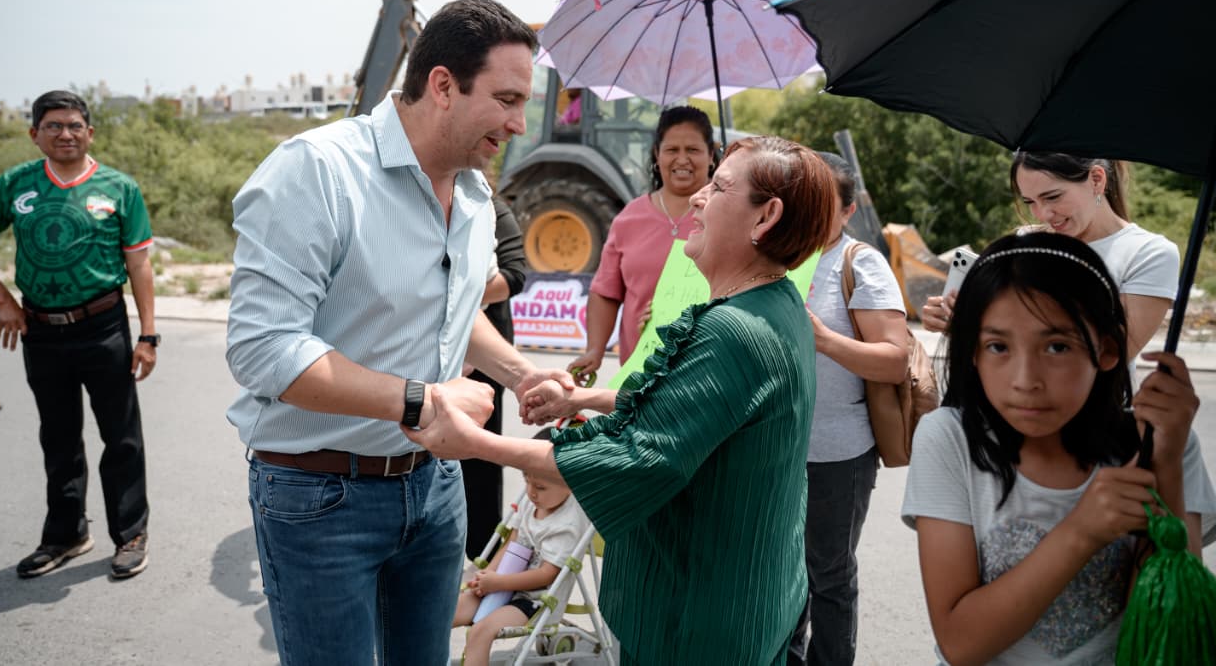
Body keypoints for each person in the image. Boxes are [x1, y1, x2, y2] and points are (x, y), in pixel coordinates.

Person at [226, 0, 572, 666]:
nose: (517, 123)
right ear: (442, 84)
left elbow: (454, 308)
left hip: (435, 489)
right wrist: (424, 400)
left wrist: (522, 374)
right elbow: (264, 348)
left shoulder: (471, 192)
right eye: (505, 99)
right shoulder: (317, 172)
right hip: (321, 495)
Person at [406, 136, 837, 666]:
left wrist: (475, 442)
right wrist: (581, 398)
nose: (698, 197)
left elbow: (635, 459)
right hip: (744, 597)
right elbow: (682, 407)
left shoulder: (734, 330)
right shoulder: (772, 303)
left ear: (765, 217)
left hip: (699, 619)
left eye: (719, 186)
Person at [901, 232, 1216, 665]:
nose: (1025, 379)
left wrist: (1165, 468)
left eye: (1057, 346)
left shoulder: (1163, 440)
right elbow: (960, 643)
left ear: (1106, 350)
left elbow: (1171, 627)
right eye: (998, 347)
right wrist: (1081, 532)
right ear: (972, 352)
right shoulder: (949, 439)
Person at [0, 90, 159, 580]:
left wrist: (148, 335)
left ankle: (130, 534)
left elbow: (139, 263)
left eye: (74, 125)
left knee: (121, 437)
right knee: (58, 437)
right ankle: (66, 535)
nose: (65, 134)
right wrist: (3, 301)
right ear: (35, 134)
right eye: (53, 126)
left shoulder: (118, 187)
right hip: (41, 330)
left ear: (89, 132)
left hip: (104, 326)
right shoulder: (15, 184)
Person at [788, 153, 908, 666]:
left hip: (838, 452)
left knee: (828, 575)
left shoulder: (860, 263)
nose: (809, 212)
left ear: (848, 209)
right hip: (777, 447)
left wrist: (824, 340)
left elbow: (894, 361)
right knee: (781, 576)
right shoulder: (778, 253)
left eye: (823, 203)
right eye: (801, 198)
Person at [921, 152, 1178, 366]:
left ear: (1097, 179)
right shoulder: (1025, 240)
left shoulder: (1148, 253)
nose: (1043, 214)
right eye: (1030, 201)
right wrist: (960, 320)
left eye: (1053, 197)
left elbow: (1110, 356)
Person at [568, 105, 716, 378]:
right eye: (672, 150)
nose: (682, 159)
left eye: (693, 150)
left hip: (708, 371)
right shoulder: (630, 218)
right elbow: (606, 291)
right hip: (640, 375)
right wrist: (594, 350)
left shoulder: (727, 214)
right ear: (657, 155)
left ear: (711, 154)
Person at [453, 460, 590, 666]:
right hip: (501, 583)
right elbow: (512, 543)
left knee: (480, 632)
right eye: (527, 481)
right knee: (447, 610)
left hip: (533, 600)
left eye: (541, 487)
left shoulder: (567, 524)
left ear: (570, 483)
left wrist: (498, 582)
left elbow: (546, 574)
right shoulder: (531, 502)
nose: (531, 492)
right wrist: (487, 575)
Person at [463, 194, 528, 559]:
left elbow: (514, 274)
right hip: (426, 365)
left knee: (480, 457)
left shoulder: (490, 209)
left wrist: (454, 293)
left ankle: (482, 552)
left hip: (486, 357)